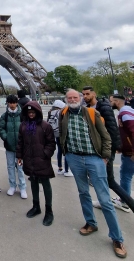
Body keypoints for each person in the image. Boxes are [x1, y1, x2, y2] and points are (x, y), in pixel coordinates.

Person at [60, 89, 126, 258]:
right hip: (74, 158)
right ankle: (91, 222)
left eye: (76, 97)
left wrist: (105, 157)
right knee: (83, 193)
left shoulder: (91, 112)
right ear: (66, 100)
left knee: (104, 199)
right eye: (70, 97)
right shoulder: (64, 113)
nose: (73, 99)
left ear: (81, 99)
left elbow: (106, 136)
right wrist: (66, 153)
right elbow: (61, 134)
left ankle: (117, 238)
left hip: (94, 159)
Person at [16, 101, 56, 226]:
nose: (31, 114)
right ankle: (36, 206)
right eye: (29, 112)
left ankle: (49, 211)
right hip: (29, 159)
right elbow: (20, 142)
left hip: (41, 159)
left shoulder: (45, 126)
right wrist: (19, 156)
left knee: (45, 183)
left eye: (33, 112)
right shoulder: (23, 125)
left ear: (37, 113)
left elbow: (51, 143)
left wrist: (45, 154)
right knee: (33, 182)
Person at [0, 95, 27, 198]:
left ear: (17, 103)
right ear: (8, 103)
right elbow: (0, 128)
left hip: (20, 146)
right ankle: (12, 186)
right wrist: (6, 138)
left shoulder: (23, 115)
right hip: (9, 146)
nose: (12, 104)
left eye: (14, 102)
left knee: (20, 167)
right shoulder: (5, 116)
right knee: (10, 167)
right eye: (10, 102)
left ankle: (23, 187)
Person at [109, 94, 134, 213]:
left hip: (130, 152)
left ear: (117, 102)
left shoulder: (124, 114)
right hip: (128, 150)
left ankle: (124, 201)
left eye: (111, 101)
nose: (110, 104)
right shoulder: (128, 111)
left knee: (125, 176)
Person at [47, 99, 72, 176]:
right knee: (66, 151)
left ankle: (60, 168)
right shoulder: (60, 113)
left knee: (60, 151)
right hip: (62, 134)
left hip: (56, 134)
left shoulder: (50, 112)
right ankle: (67, 170)